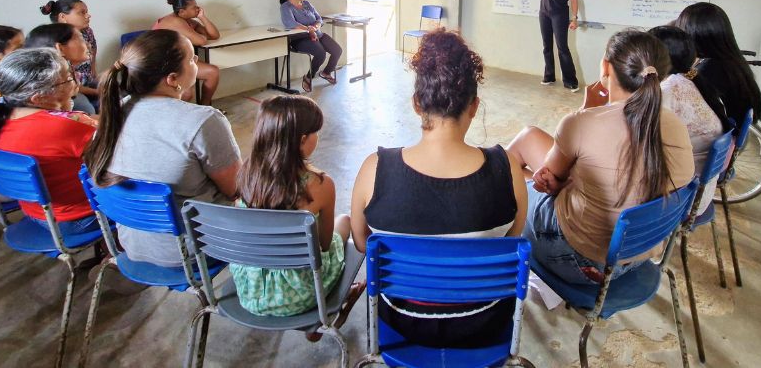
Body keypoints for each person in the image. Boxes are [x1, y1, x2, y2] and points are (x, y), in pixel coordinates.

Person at [350, 28, 527, 349]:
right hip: (484, 319)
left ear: (417, 103)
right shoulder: (508, 169)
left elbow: (363, 243)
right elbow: (510, 241)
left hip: (402, 322)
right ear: (474, 106)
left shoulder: (374, 170)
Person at [506, 29, 694, 285]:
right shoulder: (675, 125)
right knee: (530, 148)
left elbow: (548, 177)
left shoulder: (581, 123)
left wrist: (585, 112)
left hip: (580, 260)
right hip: (640, 256)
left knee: (515, 176)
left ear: (606, 67)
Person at [84, 29, 241, 267]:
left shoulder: (114, 114)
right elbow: (235, 189)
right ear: (172, 79)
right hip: (194, 248)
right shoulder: (203, 120)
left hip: (133, 243)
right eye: (191, 58)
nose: (196, 61)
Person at [230, 95, 356, 318]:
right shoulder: (320, 184)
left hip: (252, 291)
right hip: (302, 292)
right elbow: (324, 245)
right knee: (345, 221)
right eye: (316, 132)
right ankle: (331, 304)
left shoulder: (246, 176)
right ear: (302, 140)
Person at [0, 48, 99, 234]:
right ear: (39, 98)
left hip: (37, 214)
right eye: (68, 79)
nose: (75, 83)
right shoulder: (63, 127)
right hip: (78, 218)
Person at [648, 26, 727, 213]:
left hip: (684, 197)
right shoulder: (689, 79)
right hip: (700, 190)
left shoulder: (668, 89)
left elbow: (642, 140)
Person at [673, 2, 761, 130]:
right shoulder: (730, 61)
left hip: (718, 137)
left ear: (692, 33)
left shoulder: (709, 70)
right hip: (730, 136)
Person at [506, 0, 580, 91]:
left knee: (562, 47)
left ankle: (570, 81)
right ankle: (549, 76)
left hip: (560, 15)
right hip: (544, 14)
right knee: (547, 46)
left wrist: (574, 18)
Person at [151, 0, 221, 106]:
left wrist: (202, 17)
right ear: (182, 11)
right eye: (194, 7)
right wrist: (201, 36)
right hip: (163, 64)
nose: (198, 8)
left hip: (180, 60)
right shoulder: (174, 21)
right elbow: (202, 41)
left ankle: (205, 107)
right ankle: (172, 113)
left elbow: (214, 35)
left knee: (213, 72)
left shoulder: (187, 20)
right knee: (187, 94)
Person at [279, 0, 342, 93]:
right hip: (300, 38)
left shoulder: (307, 3)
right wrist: (309, 29)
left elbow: (319, 19)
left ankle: (326, 72)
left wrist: (315, 27)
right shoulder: (286, 7)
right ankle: (309, 77)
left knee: (337, 50)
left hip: (317, 34)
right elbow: (290, 23)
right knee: (321, 53)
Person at [25, 23, 96, 115]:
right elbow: (70, 120)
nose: (88, 43)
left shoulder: (70, 78)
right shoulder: (52, 91)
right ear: (60, 48)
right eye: (81, 38)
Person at [41, 0, 99, 111]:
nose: (88, 15)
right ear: (62, 17)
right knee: (87, 108)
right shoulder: (53, 40)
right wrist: (97, 92)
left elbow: (93, 52)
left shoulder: (87, 32)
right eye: (82, 12)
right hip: (68, 88)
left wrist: (94, 75)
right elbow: (68, 85)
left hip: (85, 81)